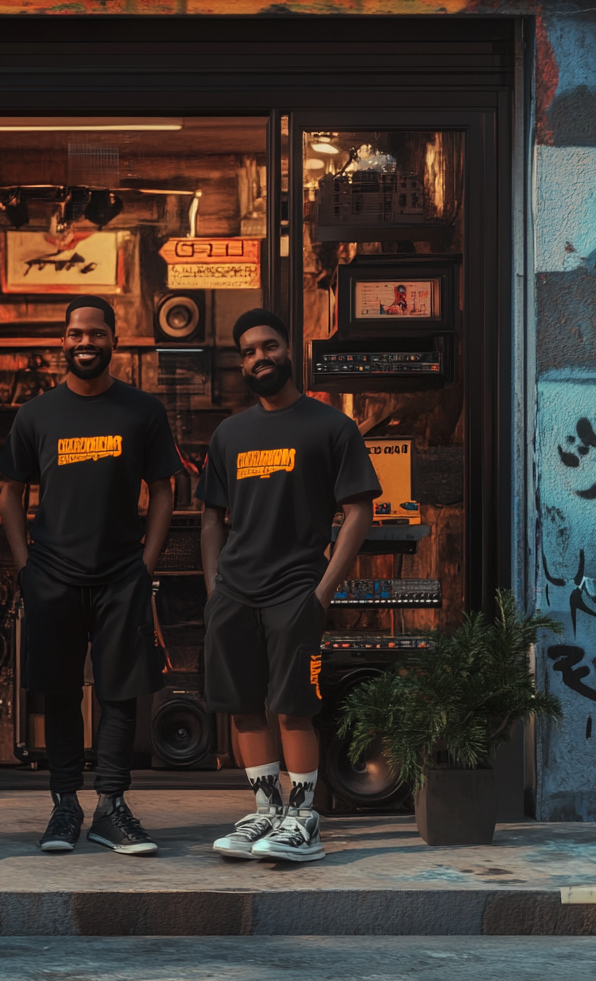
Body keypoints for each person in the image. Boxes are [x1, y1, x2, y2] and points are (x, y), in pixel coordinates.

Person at [0, 296, 182, 855]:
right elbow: (10, 494)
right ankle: (63, 806)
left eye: (96, 334)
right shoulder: (35, 415)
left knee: (119, 695)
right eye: (76, 334)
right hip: (51, 574)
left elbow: (164, 491)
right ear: (63, 342)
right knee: (57, 693)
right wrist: (26, 566)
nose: (85, 343)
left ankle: (111, 807)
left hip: (120, 573)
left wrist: (144, 565)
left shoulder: (142, 411)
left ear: (113, 341)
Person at [197, 308, 380, 863]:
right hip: (235, 592)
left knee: (292, 707)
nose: (259, 357)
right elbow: (210, 517)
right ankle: (266, 812)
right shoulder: (229, 433)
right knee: (244, 707)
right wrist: (214, 588)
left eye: (268, 346)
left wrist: (321, 593)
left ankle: (303, 819)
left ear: (288, 350)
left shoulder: (330, 428)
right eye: (248, 351)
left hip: (295, 588)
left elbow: (358, 512)